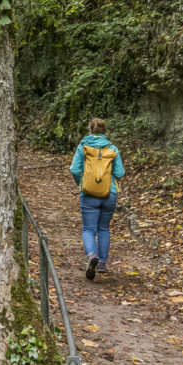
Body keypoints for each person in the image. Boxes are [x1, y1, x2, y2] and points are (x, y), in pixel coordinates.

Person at [70, 118, 124, 280]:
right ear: (104, 131)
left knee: (88, 229)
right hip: (109, 194)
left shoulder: (83, 146)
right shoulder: (112, 148)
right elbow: (120, 173)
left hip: (89, 195)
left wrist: (83, 184)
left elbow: (74, 169)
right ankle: (101, 263)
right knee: (104, 228)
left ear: (90, 130)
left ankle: (92, 255)